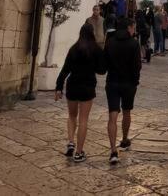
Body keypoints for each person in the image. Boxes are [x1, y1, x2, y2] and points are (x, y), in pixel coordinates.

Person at [55, 23, 106, 162]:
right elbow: (102, 70)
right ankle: (78, 152)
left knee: (72, 116)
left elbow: (65, 69)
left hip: (73, 85)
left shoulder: (74, 49)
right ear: (92, 33)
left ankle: (71, 142)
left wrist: (58, 87)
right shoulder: (96, 49)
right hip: (87, 86)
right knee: (83, 119)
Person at [105, 17, 142, 165]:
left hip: (112, 82)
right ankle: (125, 139)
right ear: (128, 28)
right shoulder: (134, 44)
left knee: (112, 115)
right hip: (128, 84)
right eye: (133, 27)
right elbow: (137, 66)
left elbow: (104, 63)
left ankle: (113, 150)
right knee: (127, 112)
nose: (134, 30)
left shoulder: (110, 42)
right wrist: (135, 81)